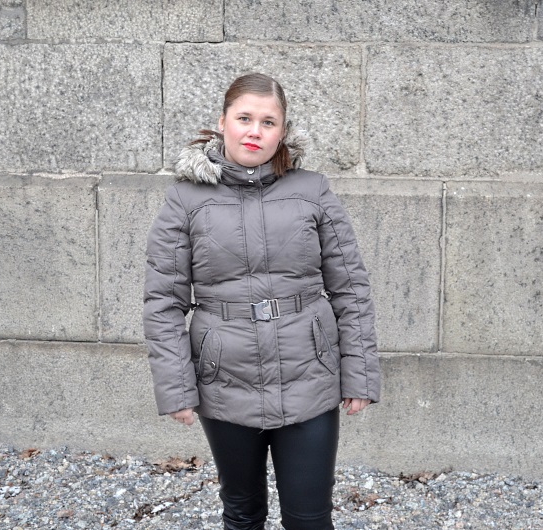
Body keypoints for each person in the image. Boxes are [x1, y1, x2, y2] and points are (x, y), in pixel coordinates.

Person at [143, 72, 380, 530]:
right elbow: (163, 301)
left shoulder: (312, 191)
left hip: (309, 378)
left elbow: (350, 288)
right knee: (242, 512)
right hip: (224, 381)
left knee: (309, 519)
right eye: (244, 118)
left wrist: (360, 374)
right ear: (223, 122)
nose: (255, 131)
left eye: (268, 122)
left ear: (283, 131)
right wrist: (176, 387)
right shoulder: (185, 199)